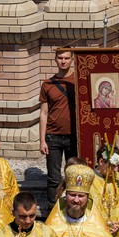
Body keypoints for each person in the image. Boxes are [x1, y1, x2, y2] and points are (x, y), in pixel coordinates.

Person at [40, 49, 77, 199]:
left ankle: (72, 208)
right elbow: (44, 113)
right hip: (53, 136)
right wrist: (42, 140)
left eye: (66, 58)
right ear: (55, 59)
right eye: (60, 58)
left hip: (73, 136)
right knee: (53, 178)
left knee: (73, 175)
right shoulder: (47, 84)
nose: (63, 61)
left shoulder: (78, 82)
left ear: (72, 59)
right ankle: (52, 208)